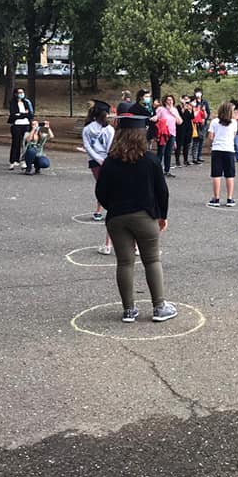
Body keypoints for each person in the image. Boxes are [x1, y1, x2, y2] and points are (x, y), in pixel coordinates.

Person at [95, 114, 176, 323]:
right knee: (151, 260)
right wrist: (162, 215)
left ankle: (129, 310)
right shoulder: (150, 160)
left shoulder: (111, 162)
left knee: (124, 262)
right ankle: (159, 307)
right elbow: (162, 191)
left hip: (117, 217)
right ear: (142, 134)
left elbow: (101, 192)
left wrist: (112, 206)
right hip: (144, 215)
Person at [83, 101, 114, 224]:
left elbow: (87, 146)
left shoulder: (87, 129)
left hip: (94, 161)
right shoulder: (109, 129)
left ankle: (98, 211)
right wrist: (105, 159)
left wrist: (97, 158)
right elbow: (110, 146)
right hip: (107, 160)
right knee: (110, 185)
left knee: (101, 184)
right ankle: (110, 209)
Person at [207, 101, 238, 206]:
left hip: (217, 149)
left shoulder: (214, 121)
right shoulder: (234, 122)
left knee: (216, 174)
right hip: (229, 149)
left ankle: (216, 198)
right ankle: (230, 198)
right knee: (230, 175)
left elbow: (210, 136)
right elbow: (233, 136)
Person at [155, 94, 183, 177]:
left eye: (171, 100)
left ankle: (167, 170)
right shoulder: (161, 109)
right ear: (165, 101)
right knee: (161, 152)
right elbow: (156, 117)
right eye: (168, 100)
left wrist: (173, 113)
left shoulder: (174, 110)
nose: (170, 101)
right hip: (163, 133)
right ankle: (157, 171)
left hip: (172, 133)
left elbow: (180, 122)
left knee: (168, 152)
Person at [7, 87, 34, 170]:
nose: (21, 94)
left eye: (22, 92)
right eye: (19, 92)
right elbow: (13, 115)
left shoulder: (26, 102)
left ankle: (24, 160)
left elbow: (30, 114)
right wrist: (23, 114)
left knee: (25, 143)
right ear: (15, 94)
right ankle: (13, 160)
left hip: (26, 125)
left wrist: (20, 115)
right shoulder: (13, 103)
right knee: (16, 143)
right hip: (16, 125)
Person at [175, 96, 193, 168]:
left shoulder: (189, 106)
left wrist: (190, 110)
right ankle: (177, 160)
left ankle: (186, 160)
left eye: (187, 99)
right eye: (185, 99)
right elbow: (179, 116)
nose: (186, 101)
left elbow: (192, 117)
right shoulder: (178, 107)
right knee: (179, 145)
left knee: (187, 144)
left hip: (188, 127)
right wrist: (183, 108)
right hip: (180, 128)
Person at [190, 96, 207, 165]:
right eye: (193, 101)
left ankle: (195, 158)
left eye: (195, 101)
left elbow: (204, 116)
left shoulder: (198, 109)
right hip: (192, 125)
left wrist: (204, 110)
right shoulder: (190, 109)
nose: (194, 103)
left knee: (196, 142)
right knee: (191, 143)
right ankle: (189, 158)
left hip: (198, 126)